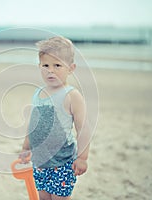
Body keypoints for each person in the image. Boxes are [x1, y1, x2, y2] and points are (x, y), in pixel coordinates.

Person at [19, 36, 91, 200]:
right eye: (46, 65)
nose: (50, 70)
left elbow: (83, 128)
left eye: (57, 65)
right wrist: (25, 148)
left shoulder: (72, 95)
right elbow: (33, 125)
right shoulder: (38, 94)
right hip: (40, 162)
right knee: (43, 197)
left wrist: (82, 158)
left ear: (71, 68)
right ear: (39, 66)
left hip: (63, 162)